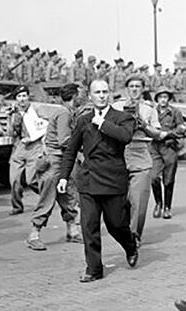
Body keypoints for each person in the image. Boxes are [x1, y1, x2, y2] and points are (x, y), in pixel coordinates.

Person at [58, 79, 138, 282]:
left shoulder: (123, 117)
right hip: (89, 180)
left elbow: (125, 136)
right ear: (90, 96)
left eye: (105, 91)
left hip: (113, 179)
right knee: (89, 226)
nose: (101, 96)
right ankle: (94, 269)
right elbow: (71, 150)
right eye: (97, 92)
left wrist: (103, 124)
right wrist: (63, 177)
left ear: (109, 94)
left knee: (116, 225)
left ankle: (130, 245)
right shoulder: (83, 120)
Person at [26, 83, 82, 251]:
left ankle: (72, 230)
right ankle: (34, 234)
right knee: (48, 198)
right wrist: (82, 147)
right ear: (74, 96)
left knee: (68, 195)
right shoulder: (64, 113)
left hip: (61, 160)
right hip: (55, 161)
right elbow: (64, 140)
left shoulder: (64, 111)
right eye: (80, 95)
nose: (82, 98)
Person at [113, 75, 167, 247]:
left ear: (143, 89)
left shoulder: (149, 109)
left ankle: (134, 235)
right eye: (131, 86)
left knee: (139, 199)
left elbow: (157, 133)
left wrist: (143, 125)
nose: (134, 89)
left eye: (138, 86)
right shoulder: (116, 107)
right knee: (120, 201)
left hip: (140, 151)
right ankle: (123, 230)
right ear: (126, 88)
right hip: (119, 153)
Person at [150, 87, 186, 219]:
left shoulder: (175, 112)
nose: (163, 100)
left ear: (169, 99)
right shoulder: (152, 111)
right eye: (160, 97)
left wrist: (169, 134)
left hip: (170, 147)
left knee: (168, 179)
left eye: (165, 97)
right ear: (157, 99)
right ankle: (158, 203)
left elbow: (181, 128)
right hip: (154, 147)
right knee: (153, 177)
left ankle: (167, 207)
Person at [8, 86, 43, 215]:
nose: (22, 99)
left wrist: (33, 138)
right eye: (19, 96)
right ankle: (17, 206)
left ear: (28, 97)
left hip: (34, 146)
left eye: (24, 96)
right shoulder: (14, 112)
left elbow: (44, 127)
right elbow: (10, 133)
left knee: (31, 179)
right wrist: (11, 118)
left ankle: (48, 196)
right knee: (14, 180)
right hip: (19, 147)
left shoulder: (36, 110)